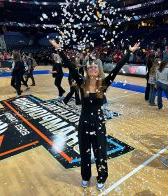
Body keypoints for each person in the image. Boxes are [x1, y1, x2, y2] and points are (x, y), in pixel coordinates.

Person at [49, 39, 140, 191]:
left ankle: (102, 177)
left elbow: (117, 68)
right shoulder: (81, 82)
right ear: (86, 70)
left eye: (95, 67)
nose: (92, 69)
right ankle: (85, 177)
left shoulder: (103, 84)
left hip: (98, 125)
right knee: (84, 153)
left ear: (99, 70)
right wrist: (59, 50)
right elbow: (71, 67)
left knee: (100, 154)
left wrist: (129, 52)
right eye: (90, 67)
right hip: (83, 124)